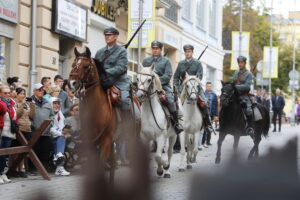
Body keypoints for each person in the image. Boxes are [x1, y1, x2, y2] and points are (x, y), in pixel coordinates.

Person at [142, 40, 183, 134]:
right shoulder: (146, 61)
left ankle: (176, 123)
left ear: (161, 49)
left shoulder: (166, 61)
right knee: (138, 97)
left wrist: (157, 82)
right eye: (153, 48)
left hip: (163, 86)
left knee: (170, 99)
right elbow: (143, 73)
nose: (155, 50)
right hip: (147, 86)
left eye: (157, 48)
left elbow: (168, 75)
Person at [173, 44, 214, 134]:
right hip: (183, 89)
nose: (187, 53)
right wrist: (178, 88)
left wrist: (194, 84)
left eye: (189, 51)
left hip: (195, 88)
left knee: (204, 103)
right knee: (174, 103)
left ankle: (208, 124)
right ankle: (176, 125)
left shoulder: (198, 63)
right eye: (186, 52)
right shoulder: (181, 64)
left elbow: (200, 77)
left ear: (192, 52)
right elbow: (175, 78)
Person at [94, 27, 131, 112]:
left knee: (125, 101)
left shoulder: (122, 51)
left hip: (118, 83)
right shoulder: (99, 52)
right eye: (106, 35)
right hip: (102, 82)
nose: (107, 37)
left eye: (109, 35)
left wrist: (105, 72)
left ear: (116, 36)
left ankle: (126, 123)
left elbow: (121, 67)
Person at [9, 88, 35, 178]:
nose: (23, 95)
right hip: (18, 129)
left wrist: (32, 106)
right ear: (16, 94)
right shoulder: (14, 103)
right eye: (21, 93)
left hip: (27, 129)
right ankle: (14, 169)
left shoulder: (26, 104)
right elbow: (17, 114)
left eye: (24, 94)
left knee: (23, 151)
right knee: (16, 151)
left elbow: (31, 115)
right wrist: (22, 104)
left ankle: (21, 169)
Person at [31, 83, 54, 170]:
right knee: (35, 150)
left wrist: (50, 124)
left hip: (46, 131)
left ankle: (43, 168)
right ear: (34, 91)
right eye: (39, 90)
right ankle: (33, 168)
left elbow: (52, 115)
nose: (41, 91)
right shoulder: (30, 101)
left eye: (42, 90)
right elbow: (27, 116)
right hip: (34, 131)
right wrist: (32, 125)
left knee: (45, 150)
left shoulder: (47, 102)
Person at [233, 56, 254, 137]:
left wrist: (237, 87)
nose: (240, 64)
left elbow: (247, 86)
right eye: (239, 62)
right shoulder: (235, 73)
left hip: (244, 96)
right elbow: (233, 83)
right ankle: (224, 125)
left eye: (241, 62)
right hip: (235, 96)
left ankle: (250, 127)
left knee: (248, 110)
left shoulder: (249, 74)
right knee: (226, 105)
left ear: (245, 63)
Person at [49, 97, 70, 176]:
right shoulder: (49, 113)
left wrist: (64, 132)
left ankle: (58, 157)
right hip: (47, 137)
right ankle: (59, 168)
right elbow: (49, 129)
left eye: (58, 103)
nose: (57, 105)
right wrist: (60, 133)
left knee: (61, 139)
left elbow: (61, 126)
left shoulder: (60, 113)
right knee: (61, 139)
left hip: (57, 137)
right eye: (55, 103)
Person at [0, 86, 16, 184]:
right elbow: (2, 110)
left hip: (10, 131)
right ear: (0, 94)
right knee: (1, 154)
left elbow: (15, 116)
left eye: (8, 93)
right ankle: (0, 173)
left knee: (6, 154)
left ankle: (3, 173)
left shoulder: (11, 104)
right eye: (5, 93)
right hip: (2, 131)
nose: (7, 95)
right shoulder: (2, 103)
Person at [202, 82, 218, 147]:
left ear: (211, 87)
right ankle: (203, 142)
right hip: (204, 113)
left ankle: (208, 141)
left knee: (210, 127)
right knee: (204, 128)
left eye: (210, 86)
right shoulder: (203, 94)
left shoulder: (214, 95)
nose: (209, 87)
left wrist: (216, 115)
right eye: (208, 86)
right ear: (206, 87)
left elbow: (216, 105)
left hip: (211, 113)